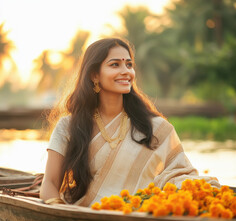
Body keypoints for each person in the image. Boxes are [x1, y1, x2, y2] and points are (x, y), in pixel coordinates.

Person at [40, 37, 220, 206]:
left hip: (141, 215)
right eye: (115, 65)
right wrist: (60, 211)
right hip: (83, 214)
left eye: (129, 64)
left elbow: (180, 173)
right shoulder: (69, 126)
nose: (126, 71)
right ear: (95, 75)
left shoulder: (156, 127)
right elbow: (50, 183)